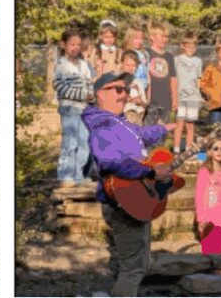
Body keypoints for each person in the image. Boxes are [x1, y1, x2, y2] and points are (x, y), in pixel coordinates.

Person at [83, 71, 171, 297]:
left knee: (140, 264)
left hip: (136, 199)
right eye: (118, 90)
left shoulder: (120, 123)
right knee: (133, 269)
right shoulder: (102, 127)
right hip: (122, 203)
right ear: (99, 94)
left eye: (126, 90)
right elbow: (111, 162)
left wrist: (163, 129)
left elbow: (142, 134)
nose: (124, 95)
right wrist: (150, 169)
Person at [54, 27, 94, 185]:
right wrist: (84, 94)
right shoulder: (61, 66)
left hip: (84, 109)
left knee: (85, 142)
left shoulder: (84, 65)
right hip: (69, 109)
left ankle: (79, 175)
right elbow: (61, 89)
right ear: (63, 44)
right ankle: (66, 176)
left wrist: (90, 95)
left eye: (78, 44)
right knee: (70, 143)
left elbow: (89, 84)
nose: (76, 47)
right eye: (72, 44)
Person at [194, 138, 221, 255]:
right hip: (208, 219)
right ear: (209, 152)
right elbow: (199, 196)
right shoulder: (204, 171)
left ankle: (216, 273)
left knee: (218, 254)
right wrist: (201, 218)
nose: (219, 152)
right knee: (209, 254)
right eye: (216, 149)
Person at [174, 35, 203, 153]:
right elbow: (173, 79)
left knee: (190, 125)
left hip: (193, 97)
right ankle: (176, 150)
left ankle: (188, 150)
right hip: (180, 97)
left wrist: (201, 94)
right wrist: (174, 96)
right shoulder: (176, 59)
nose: (191, 48)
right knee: (180, 123)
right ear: (183, 46)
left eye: (193, 46)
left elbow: (199, 80)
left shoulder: (198, 61)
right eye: (188, 46)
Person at [145, 23, 177, 126]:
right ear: (152, 37)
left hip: (165, 101)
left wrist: (175, 98)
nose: (165, 39)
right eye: (162, 36)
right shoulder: (145, 53)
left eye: (167, 37)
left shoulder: (169, 57)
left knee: (162, 133)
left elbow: (173, 79)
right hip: (150, 101)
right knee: (148, 132)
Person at [122, 26, 150, 116]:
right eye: (136, 38)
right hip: (132, 89)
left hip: (143, 90)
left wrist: (149, 93)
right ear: (129, 38)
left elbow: (148, 74)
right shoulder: (127, 52)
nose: (139, 41)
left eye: (141, 38)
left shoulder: (145, 54)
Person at [120, 50, 148, 125]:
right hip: (123, 118)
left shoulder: (138, 83)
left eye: (133, 65)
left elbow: (145, 104)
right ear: (122, 64)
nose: (131, 68)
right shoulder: (117, 82)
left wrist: (141, 102)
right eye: (128, 65)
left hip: (137, 117)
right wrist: (128, 99)